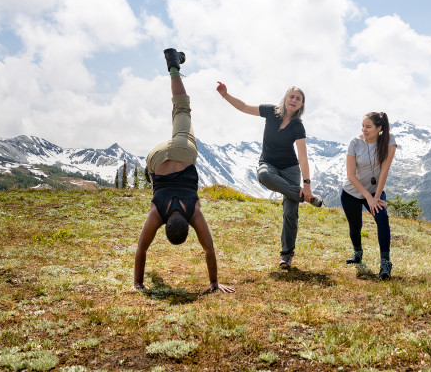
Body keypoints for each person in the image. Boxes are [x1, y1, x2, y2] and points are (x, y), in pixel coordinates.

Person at [133, 48, 234, 294]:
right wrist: (137, 284)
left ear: (187, 225)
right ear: (165, 225)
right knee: (156, 177)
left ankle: (174, 66)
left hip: (182, 151)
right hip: (155, 158)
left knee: (182, 109)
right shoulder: (157, 212)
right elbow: (141, 249)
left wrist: (214, 283)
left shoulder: (194, 211)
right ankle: (150, 175)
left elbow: (209, 249)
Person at [216, 81, 322, 269]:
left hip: (290, 170)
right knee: (263, 175)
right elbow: (244, 107)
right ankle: (303, 197)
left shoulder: (298, 126)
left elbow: (303, 157)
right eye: (292, 96)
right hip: (269, 165)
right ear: (285, 98)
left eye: (299, 99)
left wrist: (307, 184)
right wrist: (225, 95)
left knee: (290, 212)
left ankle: (286, 255)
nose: (294, 100)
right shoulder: (270, 112)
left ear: (301, 105)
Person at [341, 112, 397, 280]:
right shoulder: (355, 143)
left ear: (379, 128)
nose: (363, 129)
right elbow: (351, 174)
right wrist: (368, 197)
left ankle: (385, 263)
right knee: (355, 226)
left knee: (382, 218)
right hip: (351, 192)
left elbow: (384, 171)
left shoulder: (388, 141)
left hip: (375, 192)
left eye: (368, 126)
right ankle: (357, 252)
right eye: (363, 126)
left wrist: (376, 197)